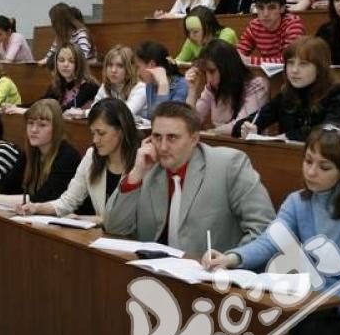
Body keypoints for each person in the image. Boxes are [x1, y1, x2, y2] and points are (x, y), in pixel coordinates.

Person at [204, 124, 340, 335]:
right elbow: (269, 242)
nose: (311, 172)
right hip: (310, 304)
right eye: (308, 161)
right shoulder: (297, 202)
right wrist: (231, 258)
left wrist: (327, 300)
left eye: (324, 167)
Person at [104, 101, 275, 255]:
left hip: (213, 274)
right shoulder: (147, 167)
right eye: (157, 137)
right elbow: (115, 227)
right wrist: (136, 174)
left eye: (172, 137)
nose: (162, 147)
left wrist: (232, 259)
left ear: (194, 139)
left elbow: (265, 229)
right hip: (156, 271)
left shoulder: (229, 165)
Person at [16, 98, 140, 223]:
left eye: (101, 133)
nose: (95, 140)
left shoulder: (141, 161)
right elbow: (68, 201)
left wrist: (96, 220)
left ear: (121, 131)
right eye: (93, 133)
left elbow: (136, 219)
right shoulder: (92, 156)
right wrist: (36, 207)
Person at [233, 36, 340, 141]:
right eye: (290, 63)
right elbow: (249, 122)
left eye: (303, 64)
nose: (294, 70)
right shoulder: (287, 94)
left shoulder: (336, 92)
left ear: (320, 68)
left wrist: (288, 136)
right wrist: (246, 128)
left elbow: (331, 130)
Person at [0, 99, 80, 207]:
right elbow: (5, 185)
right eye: (30, 123)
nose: (33, 130)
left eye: (42, 125)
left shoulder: (67, 157)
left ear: (56, 128)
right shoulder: (31, 152)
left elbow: (41, 200)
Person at [185, 39, 270, 135]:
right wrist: (192, 90)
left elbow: (241, 126)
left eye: (212, 71)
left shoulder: (257, 85)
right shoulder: (212, 88)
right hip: (220, 142)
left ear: (227, 68)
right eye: (205, 72)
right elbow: (190, 123)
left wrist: (211, 132)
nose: (208, 79)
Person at [65, 45, 146, 118]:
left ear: (129, 69)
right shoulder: (105, 87)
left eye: (120, 66)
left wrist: (84, 113)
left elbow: (125, 114)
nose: (113, 70)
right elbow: (95, 109)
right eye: (110, 65)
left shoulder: (140, 88)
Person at [237, 0, 306, 65]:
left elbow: (289, 60)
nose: (265, 14)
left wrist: (249, 61)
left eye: (272, 7)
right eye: (260, 7)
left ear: (282, 8)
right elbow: (238, 55)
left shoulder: (293, 24)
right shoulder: (254, 25)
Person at [135, 41, 187, 119]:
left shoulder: (182, 85)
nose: (138, 73)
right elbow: (151, 115)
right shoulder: (150, 84)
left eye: (138, 67)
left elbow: (165, 119)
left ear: (152, 64)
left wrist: (163, 85)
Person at [42, 43, 99, 112]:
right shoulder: (57, 83)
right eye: (61, 60)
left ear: (79, 64)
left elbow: (70, 107)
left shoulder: (89, 86)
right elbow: (42, 102)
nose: (65, 65)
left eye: (71, 61)